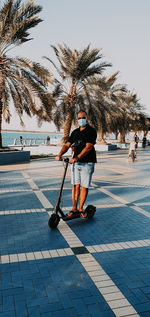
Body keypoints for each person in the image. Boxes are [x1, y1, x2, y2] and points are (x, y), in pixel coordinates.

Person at [55, 110, 97, 218]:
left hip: (87, 163)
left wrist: (77, 157)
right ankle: (74, 209)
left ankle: (80, 208)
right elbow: (67, 145)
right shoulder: (75, 132)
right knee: (75, 186)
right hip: (76, 163)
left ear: (86, 118)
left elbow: (88, 147)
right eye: (79, 118)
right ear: (77, 119)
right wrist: (59, 154)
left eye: (83, 117)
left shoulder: (91, 131)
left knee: (84, 186)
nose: (81, 120)